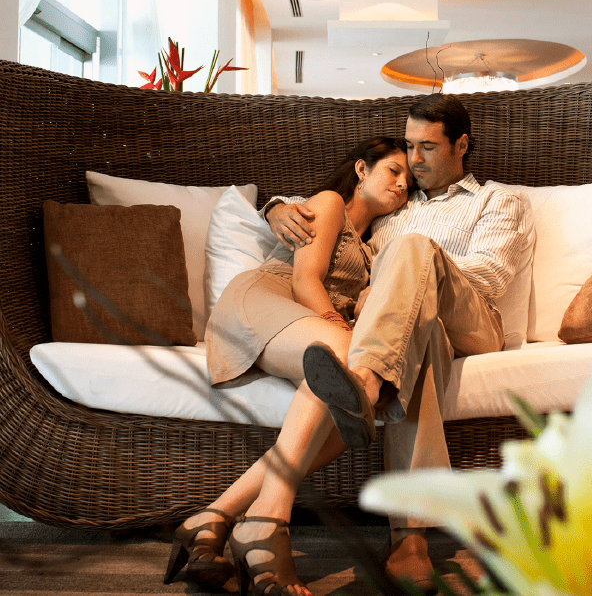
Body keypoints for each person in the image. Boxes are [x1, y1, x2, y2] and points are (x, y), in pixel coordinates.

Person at [266, 94, 531, 591]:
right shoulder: (394, 208)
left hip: (475, 321)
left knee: (412, 255)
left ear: (461, 145)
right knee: (417, 337)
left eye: (427, 147)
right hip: (410, 329)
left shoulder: (498, 200)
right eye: (408, 147)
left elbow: (491, 277)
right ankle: (410, 540)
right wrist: (274, 208)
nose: (413, 159)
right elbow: (337, 216)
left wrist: (409, 277)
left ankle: (365, 381)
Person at [164, 136, 413, 596]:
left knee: (352, 401)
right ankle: (264, 522)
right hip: (265, 298)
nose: (402, 184)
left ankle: (213, 517)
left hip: (302, 328)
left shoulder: (373, 248)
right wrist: (340, 329)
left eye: (409, 181)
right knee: (346, 361)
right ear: (361, 170)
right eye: (393, 170)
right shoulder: (330, 203)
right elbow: (304, 279)